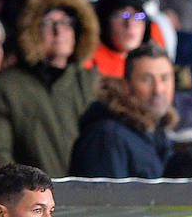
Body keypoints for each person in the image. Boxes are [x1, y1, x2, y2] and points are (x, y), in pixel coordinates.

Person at [0, 0, 100, 178]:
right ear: (30, 30)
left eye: (66, 22)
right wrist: (30, 199)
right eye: (48, 23)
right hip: (31, 204)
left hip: (90, 202)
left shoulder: (94, 83)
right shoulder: (3, 88)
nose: (58, 30)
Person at [68, 41, 174, 179]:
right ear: (126, 85)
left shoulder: (157, 131)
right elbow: (106, 199)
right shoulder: (106, 137)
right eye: (146, 79)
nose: (158, 89)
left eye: (165, 78)